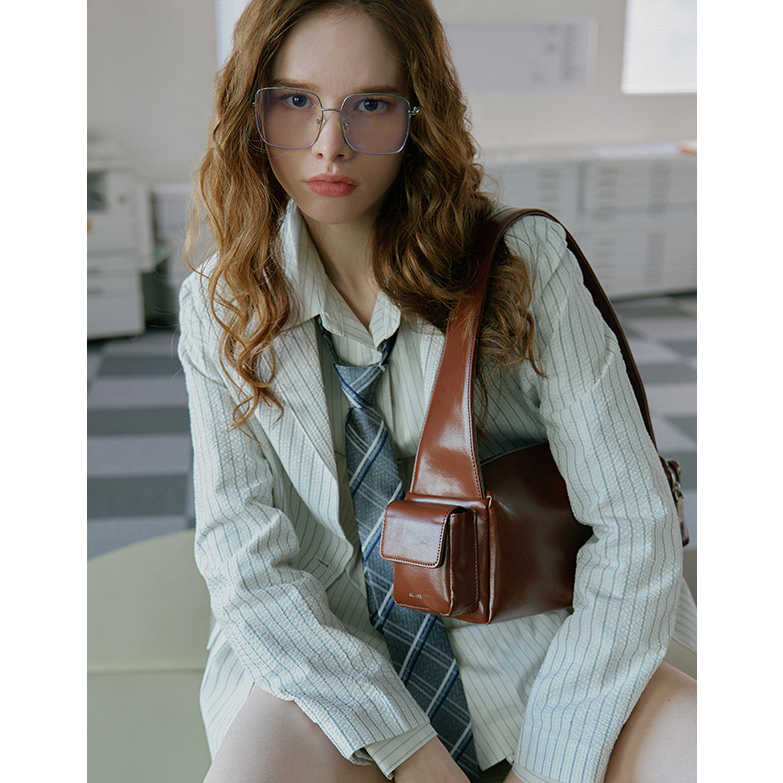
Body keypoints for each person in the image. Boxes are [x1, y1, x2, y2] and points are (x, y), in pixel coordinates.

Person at [178, 1, 697, 781]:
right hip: (324, 660)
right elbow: (243, 561)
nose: (329, 144)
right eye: (295, 100)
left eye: (370, 105)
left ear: (419, 114)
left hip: (538, 638)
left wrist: (551, 762)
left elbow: (634, 521)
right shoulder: (220, 306)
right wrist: (409, 752)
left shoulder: (522, 263)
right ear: (250, 110)